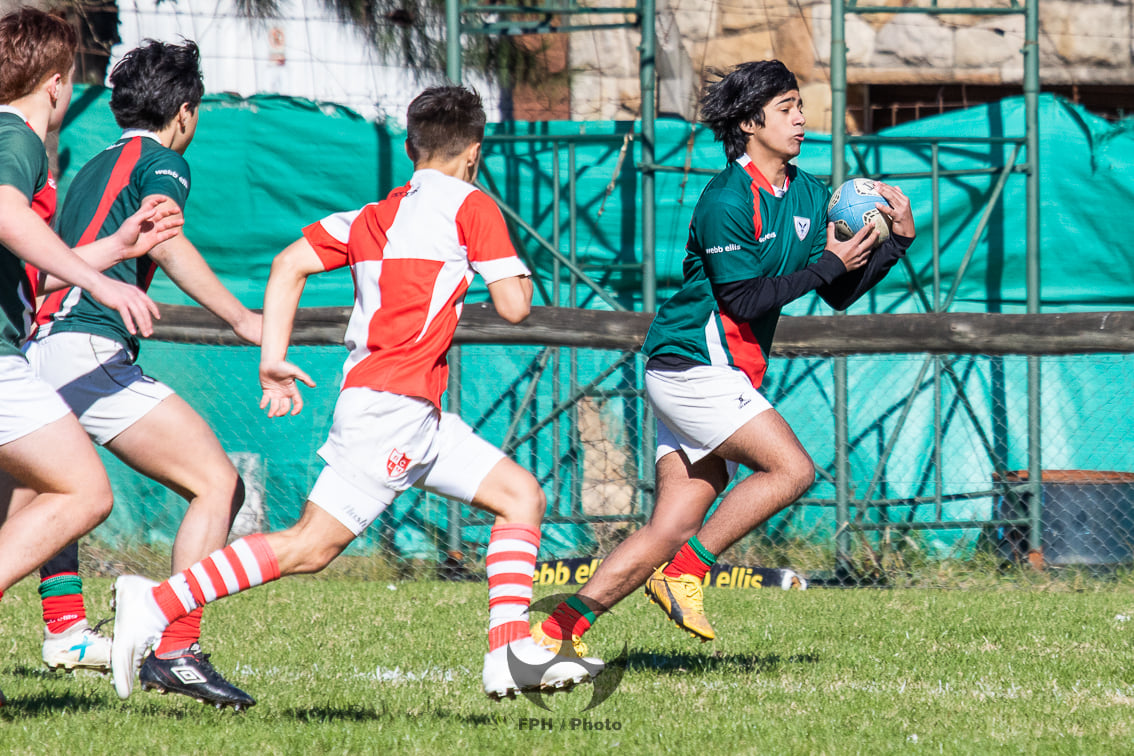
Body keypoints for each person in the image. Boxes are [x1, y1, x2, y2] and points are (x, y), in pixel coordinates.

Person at [110, 84, 603, 704]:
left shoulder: (374, 217)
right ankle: (156, 602)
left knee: (520, 495)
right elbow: (514, 306)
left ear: (410, 147)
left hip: (409, 410)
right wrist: (507, 260)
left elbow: (288, 263)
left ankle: (508, 656)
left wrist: (272, 360)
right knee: (310, 546)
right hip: (392, 410)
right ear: (475, 151)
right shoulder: (473, 206)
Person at [532, 60, 916, 654]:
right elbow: (742, 299)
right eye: (786, 107)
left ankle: (556, 633)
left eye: (799, 105)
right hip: (691, 364)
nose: (800, 117)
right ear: (749, 122)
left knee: (672, 527)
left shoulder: (810, 194)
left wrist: (896, 242)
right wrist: (827, 265)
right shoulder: (726, 199)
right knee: (792, 471)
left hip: (715, 372)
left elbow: (836, 291)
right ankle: (686, 574)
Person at [25, 39, 262, 709]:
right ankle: (176, 648)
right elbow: (163, 232)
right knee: (217, 484)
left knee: (52, 494)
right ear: (185, 112)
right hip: (85, 348)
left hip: (37, 348)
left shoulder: (90, 166)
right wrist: (242, 318)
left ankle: (66, 628)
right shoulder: (162, 160)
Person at [0, 7, 164, 706]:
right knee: (84, 491)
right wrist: (101, 283)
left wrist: (115, 248)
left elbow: (29, 272)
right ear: (57, 83)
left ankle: (65, 632)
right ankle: (69, 634)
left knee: (21, 500)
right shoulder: (17, 136)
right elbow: (5, 212)